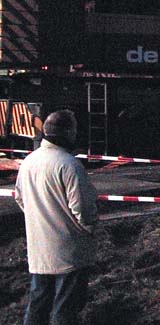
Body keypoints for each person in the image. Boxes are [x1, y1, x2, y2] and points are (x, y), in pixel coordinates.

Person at [14, 109, 98, 325]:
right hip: (70, 251)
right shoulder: (69, 165)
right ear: (68, 132)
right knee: (66, 309)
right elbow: (83, 209)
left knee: (38, 304)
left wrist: (38, 218)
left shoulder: (28, 163)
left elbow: (20, 198)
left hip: (39, 249)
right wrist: (89, 228)